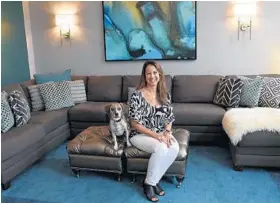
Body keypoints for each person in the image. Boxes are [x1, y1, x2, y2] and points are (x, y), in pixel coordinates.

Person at [128, 60, 179, 202]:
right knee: (161, 147)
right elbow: (134, 124)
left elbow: (169, 119)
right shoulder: (136, 95)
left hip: (160, 133)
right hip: (139, 134)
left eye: (155, 73)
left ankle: (154, 180)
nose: (152, 76)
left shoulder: (164, 95)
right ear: (144, 76)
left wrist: (167, 133)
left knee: (174, 147)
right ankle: (149, 184)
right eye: (148, 73)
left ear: (160, 74)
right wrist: (157, 136)